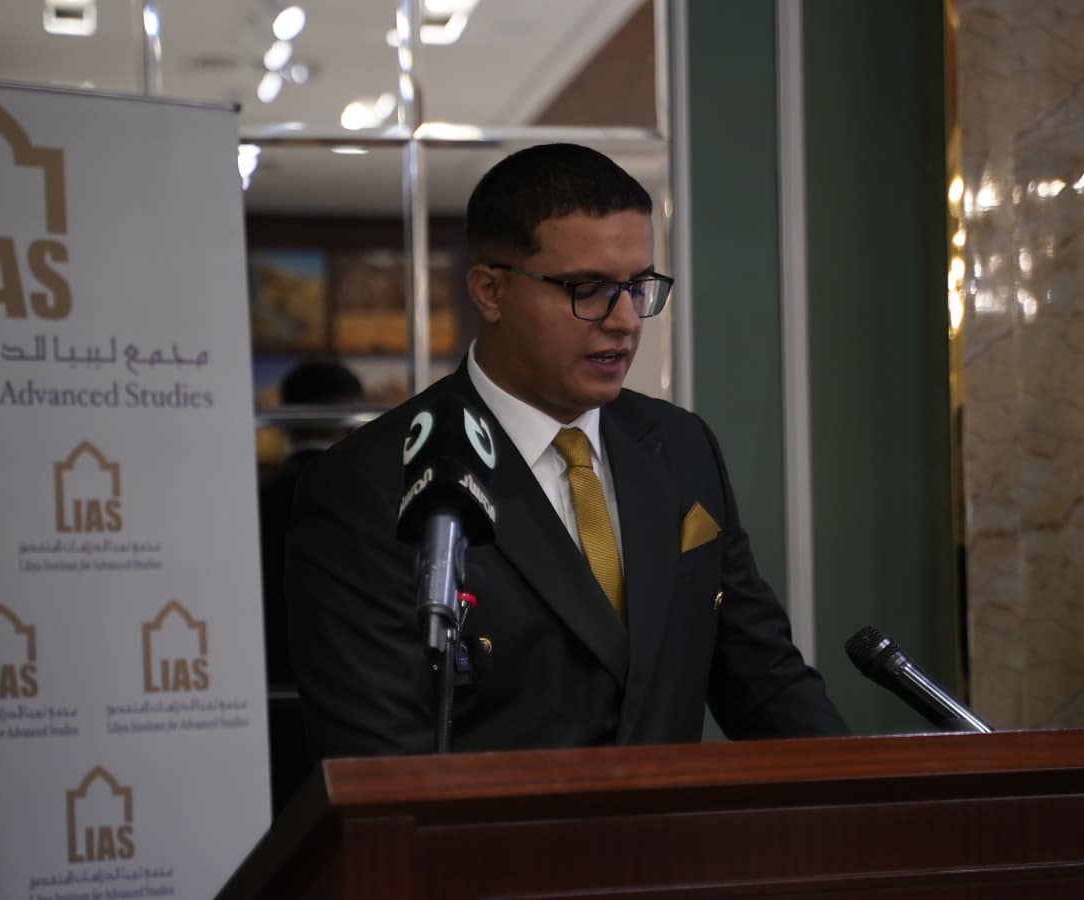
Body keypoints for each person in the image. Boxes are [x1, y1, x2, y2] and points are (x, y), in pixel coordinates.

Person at [286, 143, 848, 757]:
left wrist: (863, 789)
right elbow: (381, 761)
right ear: (490, 291)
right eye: (588, 288)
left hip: (677, 823)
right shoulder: (371, 484)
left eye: (638, 287)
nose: (625, 320)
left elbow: (765, 679)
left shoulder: (681, 447)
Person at [255, 357, 363, 810]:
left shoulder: (256, 496)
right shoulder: (363, 499)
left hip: (269, 691)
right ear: (351, 415)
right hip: (351, 696)